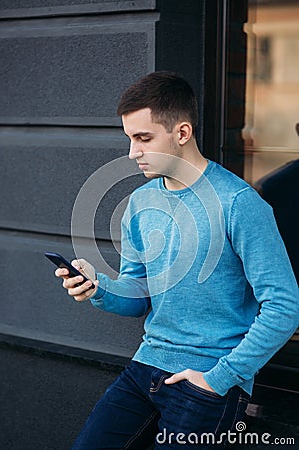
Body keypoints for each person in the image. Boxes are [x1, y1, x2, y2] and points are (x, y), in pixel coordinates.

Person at [55, 72, 299, 449]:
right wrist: (98, 287)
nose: (132, 152)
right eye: (129, 138)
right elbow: (138, 296)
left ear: (182, 133)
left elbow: (284, 306)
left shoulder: (239, 204)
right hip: (145, 366)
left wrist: (220, 377)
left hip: (208, 380)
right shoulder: (139, 203)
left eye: (144, 138)